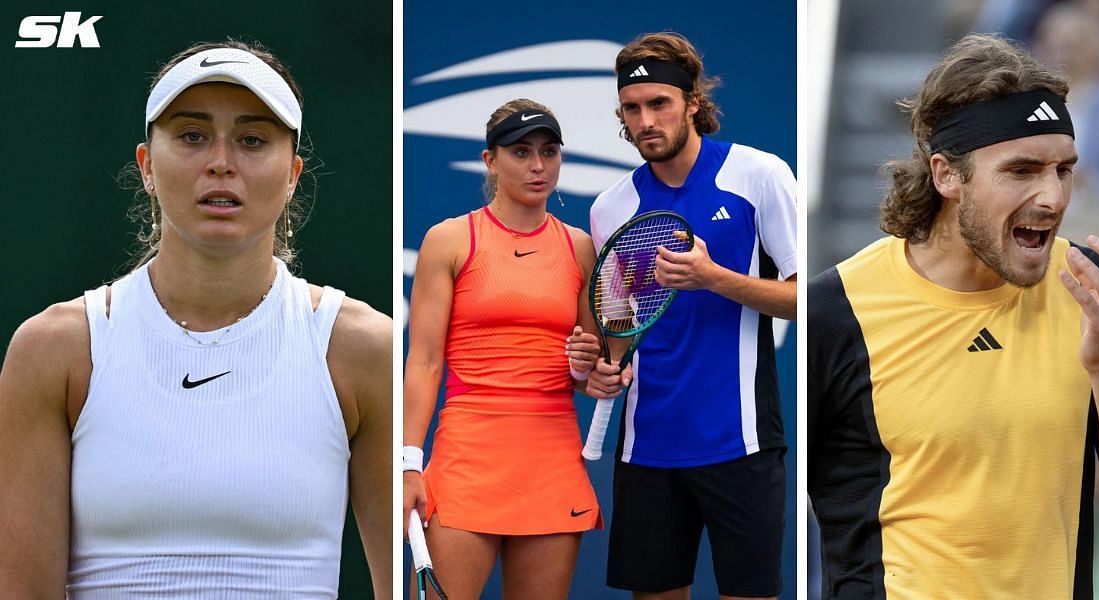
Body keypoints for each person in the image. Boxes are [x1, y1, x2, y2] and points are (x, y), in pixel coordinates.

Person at [0, 40, 392, 597]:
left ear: (293, 175)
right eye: (192, 135)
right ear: (146, 166)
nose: (221, 162)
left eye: (252, 140)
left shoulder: (362, 348)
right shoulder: (54, 351)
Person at [808, 33, 1099, 599]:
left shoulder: (1098, 294)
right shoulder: (835, 314)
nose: (1053, 197)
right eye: (1022, 170)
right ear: (947, 175)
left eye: (1063, 171)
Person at [586, 32, 799, 600]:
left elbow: (808, 298)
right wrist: (605, 369)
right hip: (646, 448)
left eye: (660, 104)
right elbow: (617, 327)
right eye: (632, 109)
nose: (646, 120)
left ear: (693, 103)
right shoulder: (609, 210)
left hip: (743, 444)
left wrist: (714, 279)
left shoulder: (760, 176)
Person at [402, 99, 603, 599]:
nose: (538, 166)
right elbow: (424, 361)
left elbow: (585, 370)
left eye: (549, 151)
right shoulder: (448, 240)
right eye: (521, 152)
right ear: (491, 160)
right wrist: (408, 463)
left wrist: (592, 371)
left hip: (551, 465)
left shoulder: (580, 247)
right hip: (466, 463)